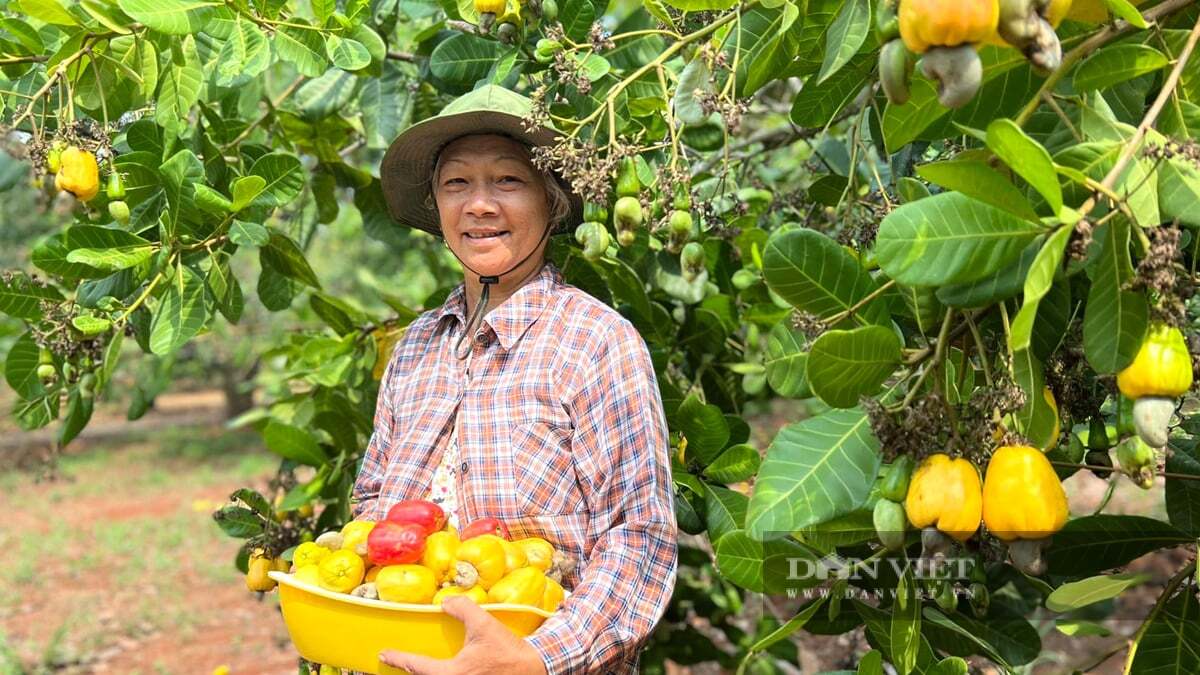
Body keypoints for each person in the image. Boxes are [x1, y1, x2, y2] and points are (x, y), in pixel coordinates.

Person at [353, 85, 678, 674]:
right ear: (437, 205)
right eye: (457, 184)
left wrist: (534, 660)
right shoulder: (415, 348)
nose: (479, 205)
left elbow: (640, 538)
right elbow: (372, 501)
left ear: (550, 203)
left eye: (508, 180)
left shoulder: (596, 341)